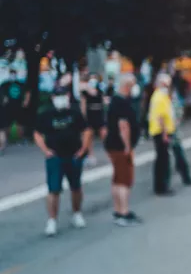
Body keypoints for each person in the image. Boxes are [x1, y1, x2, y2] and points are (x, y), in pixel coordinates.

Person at [33, 86, 92, 236]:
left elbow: (86, 130)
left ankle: (77, 213)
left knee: (76, 186)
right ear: (53, 98)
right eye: (58, 95)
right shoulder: (46, 114)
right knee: (53, 190)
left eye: (63, 95)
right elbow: (37, 133)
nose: (61, 98)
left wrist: (83, 149)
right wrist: (45, 150)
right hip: (55, 156)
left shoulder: (74, 112)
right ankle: (52, 220)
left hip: (73, 155)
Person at [105, 74, 142, 226]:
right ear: (127, 86)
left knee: (117, 178)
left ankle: (118, 210)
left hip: (112, 144)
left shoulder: (115, 100)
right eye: (132, 85)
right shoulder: (122, 103)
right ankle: (123, 213)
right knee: (124, 180)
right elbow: (123, 126)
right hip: (120, 147)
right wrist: (127, 146)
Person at [148, 73, 176, 196]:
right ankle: (161, 187)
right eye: (166, 84)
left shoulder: (159, 95)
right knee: (163, 161)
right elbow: (161, 117)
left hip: (160, 132)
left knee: (162, 159)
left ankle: (161, 186)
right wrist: (165, 134)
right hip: (161, 132)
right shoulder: (160, 97)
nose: (168, 87)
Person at [0, 69, 30, 150]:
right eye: (11, 74)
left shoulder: (20, 84)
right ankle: (5, 141)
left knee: (20, 124)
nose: (12, 76)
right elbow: (1, 93)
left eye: (14, 74)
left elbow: (27, 91)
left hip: (19, 107)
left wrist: (26, 101)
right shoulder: (5, 84)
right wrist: (3, 99)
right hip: (7, 108)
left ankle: (22, 139)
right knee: (6, 125)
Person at [80, 74, 106, 166]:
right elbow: (83, 105)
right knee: (89, 135)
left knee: (104, 133)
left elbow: (104, 102)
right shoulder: (85, 92)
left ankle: (110, 152)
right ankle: (91, 156)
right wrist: (83, 117)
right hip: (90, 114)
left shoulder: (100, 91)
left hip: (99, 113)